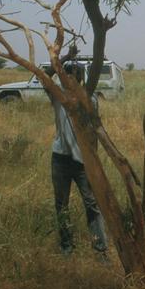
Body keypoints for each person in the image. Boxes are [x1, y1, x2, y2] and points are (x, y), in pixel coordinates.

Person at [45, 61, 109, 261]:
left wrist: (94, 160)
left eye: (72, 77)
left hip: (83, 161)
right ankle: (66, 248)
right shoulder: (59, 96)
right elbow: (44, 77)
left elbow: (94, 130)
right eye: (66, 77)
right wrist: (61, 60)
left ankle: (100, 250)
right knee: (61, 205)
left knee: (92, 205)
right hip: (61, 158)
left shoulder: (90, 99)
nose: (68, 80)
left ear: (80, 79)